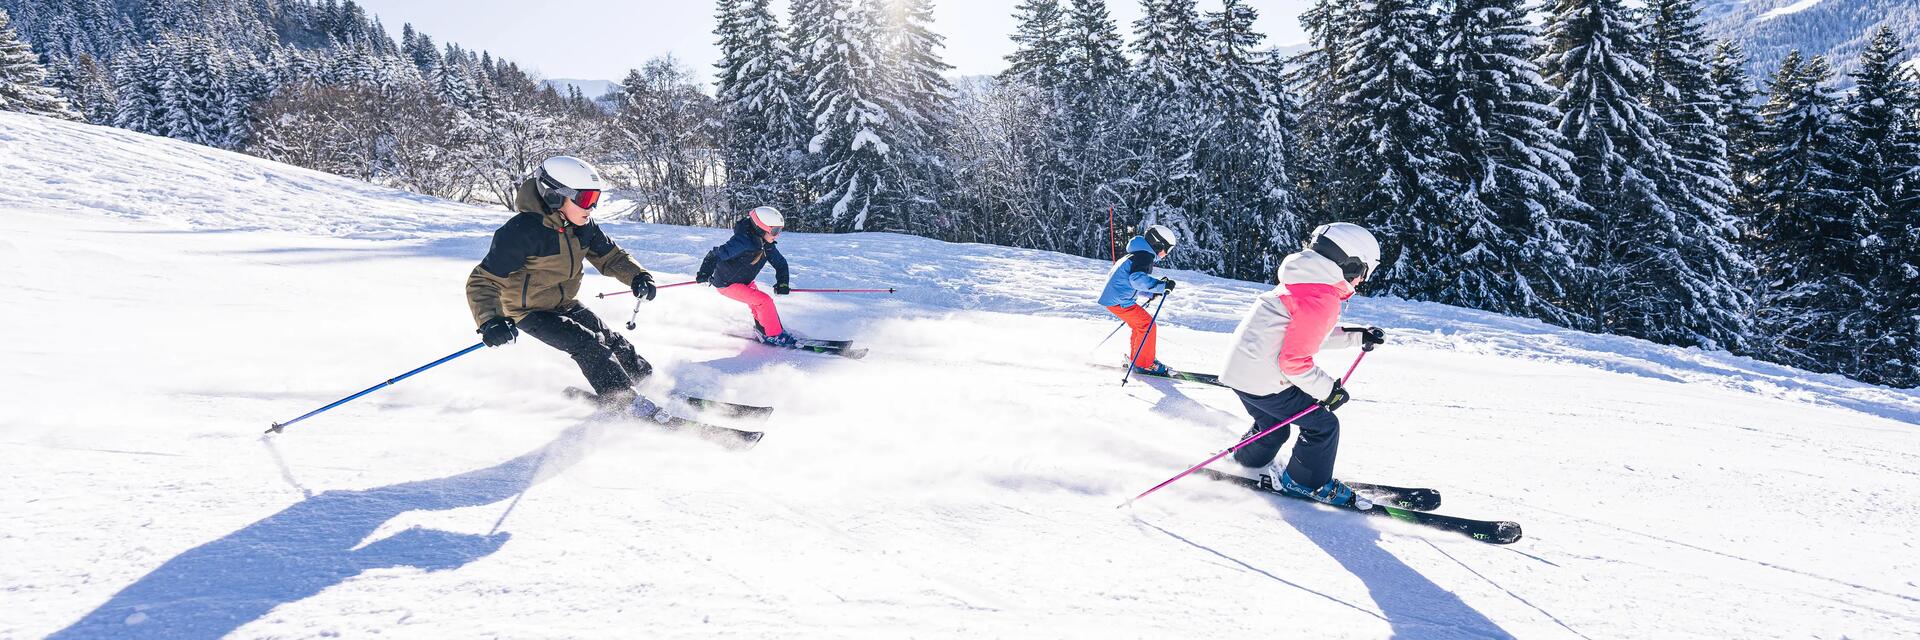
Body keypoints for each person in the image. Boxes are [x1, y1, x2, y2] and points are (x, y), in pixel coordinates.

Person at [465, 156, 661, 412]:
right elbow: (483, 280)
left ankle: (645, 381)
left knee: (610, 339)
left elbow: (611, 257)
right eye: (585, 199)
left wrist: (638, 276)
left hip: (563, 303)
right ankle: (623, 401)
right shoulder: (522, 232)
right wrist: (491, 320)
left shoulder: (583, 226)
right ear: (555, 196)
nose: (591, 207)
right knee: (588, 344)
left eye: (595, 199)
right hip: (527, 311)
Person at [1217, 222, 1387, 508]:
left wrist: (1357, 337)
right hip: (1264, 378)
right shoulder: (1321, 297)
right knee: (1322, 426)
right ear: (1351, 265)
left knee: (1274, 425)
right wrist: (1328, 392)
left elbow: (1306, 336)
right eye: (1364, 273)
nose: (1361, 282)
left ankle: (1244, 460)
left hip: (1239, 372)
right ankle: (1305, 483)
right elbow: (1294, 362)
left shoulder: (1303, 283)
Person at [697, 207, 796, 347]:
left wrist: (783, 283)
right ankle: (774, 335)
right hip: (727, 283)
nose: (777, 235)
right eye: (775, 231)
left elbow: (781, 264)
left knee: (759, 303)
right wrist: (704, 273)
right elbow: (714, 254)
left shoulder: (766, 245)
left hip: (744, 281)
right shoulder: (742, 241)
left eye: (780, 230)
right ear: (761, 228)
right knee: (764, 301)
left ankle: (764, 329)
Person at [1099, 225, 1178, 374]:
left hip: (1116, 298)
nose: (1166, 254)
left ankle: (1138, 359)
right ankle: (1144, 364)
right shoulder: (1144, 256)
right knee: (1148, 325)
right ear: (1158, 244)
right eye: (1167, 249)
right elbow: (1136, 279)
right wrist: (1161, 286)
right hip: (1120, 301)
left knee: (1141, 326)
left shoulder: (1137, 254)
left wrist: (1150, 293)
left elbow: (1128, 281)